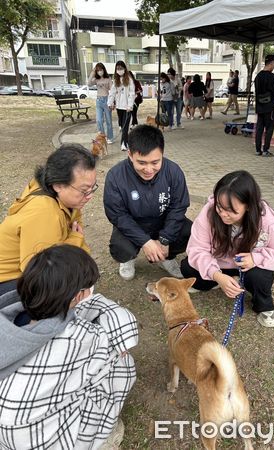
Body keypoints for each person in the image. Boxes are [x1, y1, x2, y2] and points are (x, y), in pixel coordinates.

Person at [0, 244, 138, 450]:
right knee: (122, 364)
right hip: (38, 437)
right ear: (78, 295)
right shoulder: (78, 337)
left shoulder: (10, 311)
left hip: (7, 432)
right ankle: (102, 433)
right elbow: (123, 330)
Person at [181, 170, 274, 328]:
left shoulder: (265, 220)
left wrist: (256, 259)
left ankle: (264, 306)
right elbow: (197, 249)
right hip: (219, 265)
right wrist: (217, 276)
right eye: (220, 207)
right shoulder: (208, 213)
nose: (223, 215)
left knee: (261, 276)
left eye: (231, 211)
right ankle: (221, 282)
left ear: (248, 206)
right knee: (187, 267)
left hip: (247, 267)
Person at [0, 144, 97, 296]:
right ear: (58, 185)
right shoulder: (44, 213)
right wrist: (75, 239)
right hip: (10, 282)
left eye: (92, 188)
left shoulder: (64, 197)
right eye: (84, 190)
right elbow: (42, 276)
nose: (89, 195)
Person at [103, 124, 192, 281]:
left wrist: (165, 238)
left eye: (155, 162)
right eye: (142, 163)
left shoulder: (173, 171)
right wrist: (145, 241)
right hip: (134, 224)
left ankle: (166, 258)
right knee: (120, 248)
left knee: (190, 231)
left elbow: (178, 207)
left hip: (162, 222)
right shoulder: (115, 176)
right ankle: (128, 260)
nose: (149, 169)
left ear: (162, 154)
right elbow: (117, 215)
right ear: (130, 155)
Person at [254, 55, 274, 157]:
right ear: (272, 63)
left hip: (259, 107)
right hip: (269, 107)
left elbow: (256, 92)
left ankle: (258, 149)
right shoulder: (271, 77)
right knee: (269, 128)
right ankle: (265, 150)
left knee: (259, 128)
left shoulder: (258, 76)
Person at [107, 60, 135, 151]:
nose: (119, 70)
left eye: (121, 68)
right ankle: (125, 142)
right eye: (117, 68)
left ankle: (124, 143)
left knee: (125, 126)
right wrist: (110, 103)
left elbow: (132, 93)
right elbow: (112, 93)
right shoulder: (116, 80)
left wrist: (130, 105)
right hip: (119, 107)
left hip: (127, 108)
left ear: (124, 69)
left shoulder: (129, 80)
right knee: (122, 126)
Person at [88, 62, 114, 144]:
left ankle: (110, 137)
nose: (99, 71)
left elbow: (112, 90)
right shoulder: (96, 79)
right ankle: (102, 136)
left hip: (107, 100)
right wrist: (92, 73)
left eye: (101, 70)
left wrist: (112, 102)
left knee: (108, 121)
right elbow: (88, 84)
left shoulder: (108, 78)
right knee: (99, 120)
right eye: (98, 70)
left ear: (103, 69)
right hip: (99, 100)